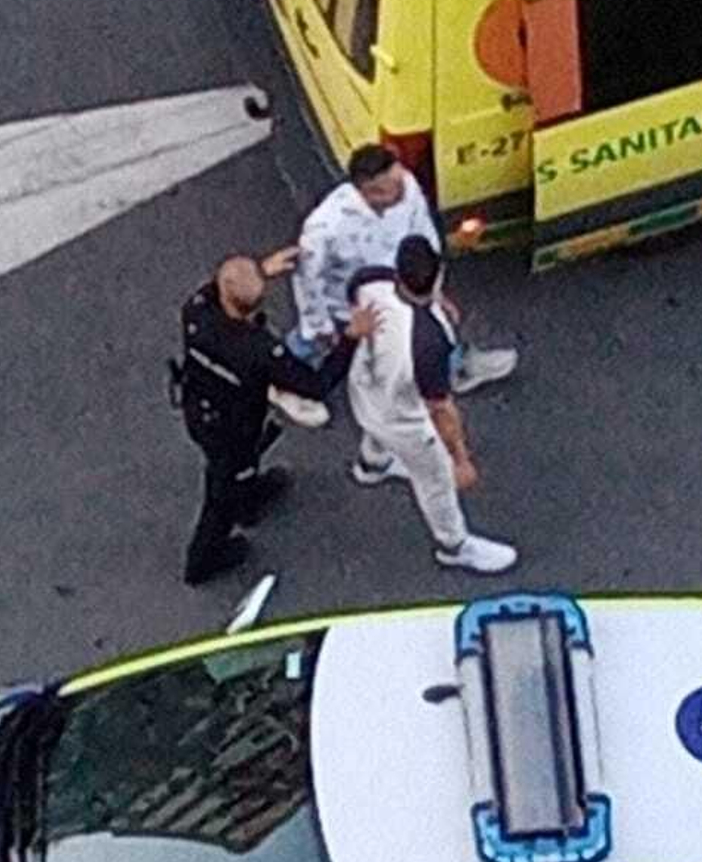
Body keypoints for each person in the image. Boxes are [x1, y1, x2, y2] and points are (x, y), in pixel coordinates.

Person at [274, 143, 516, 427]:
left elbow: (423, 232)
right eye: (394, 187)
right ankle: (282, 380)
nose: (404, 190)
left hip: (401, 288)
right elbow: (308, 279)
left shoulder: (407, 186)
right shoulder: (325, 228)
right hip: (347, 305)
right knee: (312, 341)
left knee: (430, 330)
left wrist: (433, 288)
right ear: (369, 191)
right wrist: (320, 325)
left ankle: (455, 368)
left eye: (400, 178)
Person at [175, 250, 352, 583]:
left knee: (237, 470)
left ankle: (248, 495)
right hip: (234, 429)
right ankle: (203, 560)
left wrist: (257, 274)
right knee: (220, 497)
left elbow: (217, 289)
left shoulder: (195, 314)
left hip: (199, 408)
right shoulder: (259, 350)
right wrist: (350, 341)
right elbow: (314, 385)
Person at [348, 236, 516, 572]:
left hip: (365, 385)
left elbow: (354, 293)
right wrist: (459, 458)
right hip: (403, 419)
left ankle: (372, 465)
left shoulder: (372, 281)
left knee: (375, 426)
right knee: (435, 481)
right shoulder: (429, 340)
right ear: (438, 275)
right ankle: (453, 545)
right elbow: (439, 407)